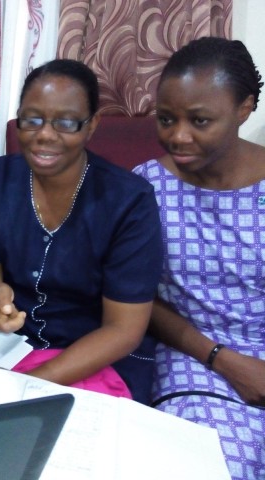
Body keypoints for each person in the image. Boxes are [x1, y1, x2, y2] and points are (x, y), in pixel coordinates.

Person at [0, 59, 163, 404]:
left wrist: (28, 385)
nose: (44, 134)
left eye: (66, 123)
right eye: (33, 119)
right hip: (7, 348)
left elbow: (123, 330)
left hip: (92, 357)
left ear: (92, 125)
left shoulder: (128, 201)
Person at [132, 37, 265, 479]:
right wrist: (223, 359)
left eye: (200, 120)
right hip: (198, 360)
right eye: (166, 119)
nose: (178, 136)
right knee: (221, 464)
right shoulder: (144, 190)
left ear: (245, 108)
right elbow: (134, 299)